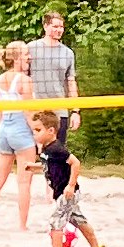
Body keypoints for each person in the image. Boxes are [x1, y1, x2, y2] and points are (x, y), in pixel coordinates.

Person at [0, 41, 37, 232]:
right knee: (24, 183)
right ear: (17, 58)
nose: (29, 57)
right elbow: (29, 113)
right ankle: (22, 226)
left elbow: (0, 114)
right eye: (26, 54)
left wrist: (6, 130)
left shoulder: (0, 80)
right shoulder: (24, 80)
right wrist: (38, 137)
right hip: (21, 130)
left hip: (4, 130)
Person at [31, 110, 105, 247]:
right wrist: (34, 167)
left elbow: (75, 163)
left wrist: (70, 185)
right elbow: (50, 164)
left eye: (38, 130)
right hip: (60, 192)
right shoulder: (47, 149)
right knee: (78, 220)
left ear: (51, 131)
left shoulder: (57, 148)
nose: (35, 134)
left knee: (56, 221)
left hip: (67, 192)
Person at [27, 10, 80, 156]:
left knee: (56, 156)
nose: (59, 30)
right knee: (32, 155)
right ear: (45, 26)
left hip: (59, 111)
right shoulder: (31, 48)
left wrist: (75, 111)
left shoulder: (67, 53)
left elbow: (71, 82)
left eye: (61, 27)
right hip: (36, 110)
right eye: (55, 26)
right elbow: (22, 77)